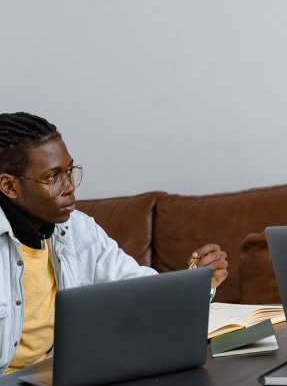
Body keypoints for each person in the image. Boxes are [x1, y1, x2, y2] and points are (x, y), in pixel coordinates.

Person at [0, 112, 228, 375]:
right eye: (53, 177)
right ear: (9, 186)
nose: (70, 187)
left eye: (70, 171)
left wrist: (199, 281)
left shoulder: (80, 231)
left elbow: (143, 292)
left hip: (55, 376)